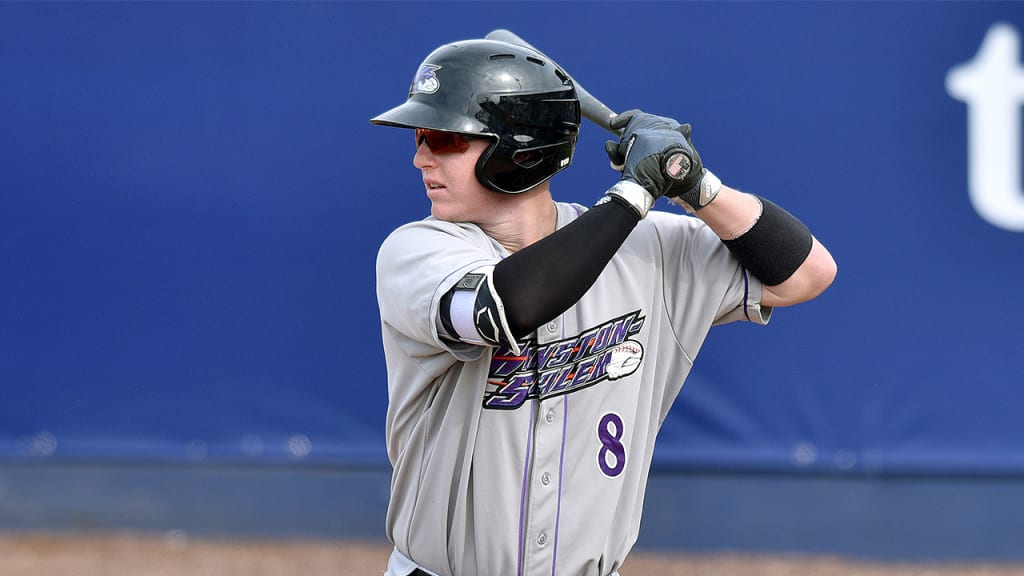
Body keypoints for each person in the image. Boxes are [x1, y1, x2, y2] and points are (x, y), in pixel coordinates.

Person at [370, 37, 836, 576]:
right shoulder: (417, 252)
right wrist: (636, 192)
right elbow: (510, 305)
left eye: (444, 137)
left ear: (520, 149)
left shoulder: (651, 250)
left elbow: (808, 273)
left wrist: (694, 184)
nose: (419, 155)